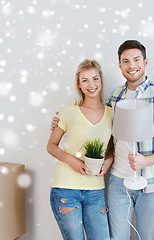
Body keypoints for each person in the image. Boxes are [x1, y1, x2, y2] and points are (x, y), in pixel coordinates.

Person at [51, 40, 154, 240]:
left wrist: (146, 161)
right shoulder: (115, 97)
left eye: (136, 60)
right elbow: (103, 133)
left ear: (145, 62)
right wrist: (60, 120)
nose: (132, 66)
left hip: (152, 183)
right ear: (120, 65)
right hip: (118, 183)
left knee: (145, 237)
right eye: (126, 61)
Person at [47, 59, 113, 240]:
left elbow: (112, 148)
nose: (91, 85)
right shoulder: (68, 111)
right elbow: (51, 146)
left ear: (101, 80)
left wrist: (107, 163)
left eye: (95, 79)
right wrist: (72, 161)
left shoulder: (112, 113)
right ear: (79, 84)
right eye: (85, 80)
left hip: (96, 190)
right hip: (65, 189)